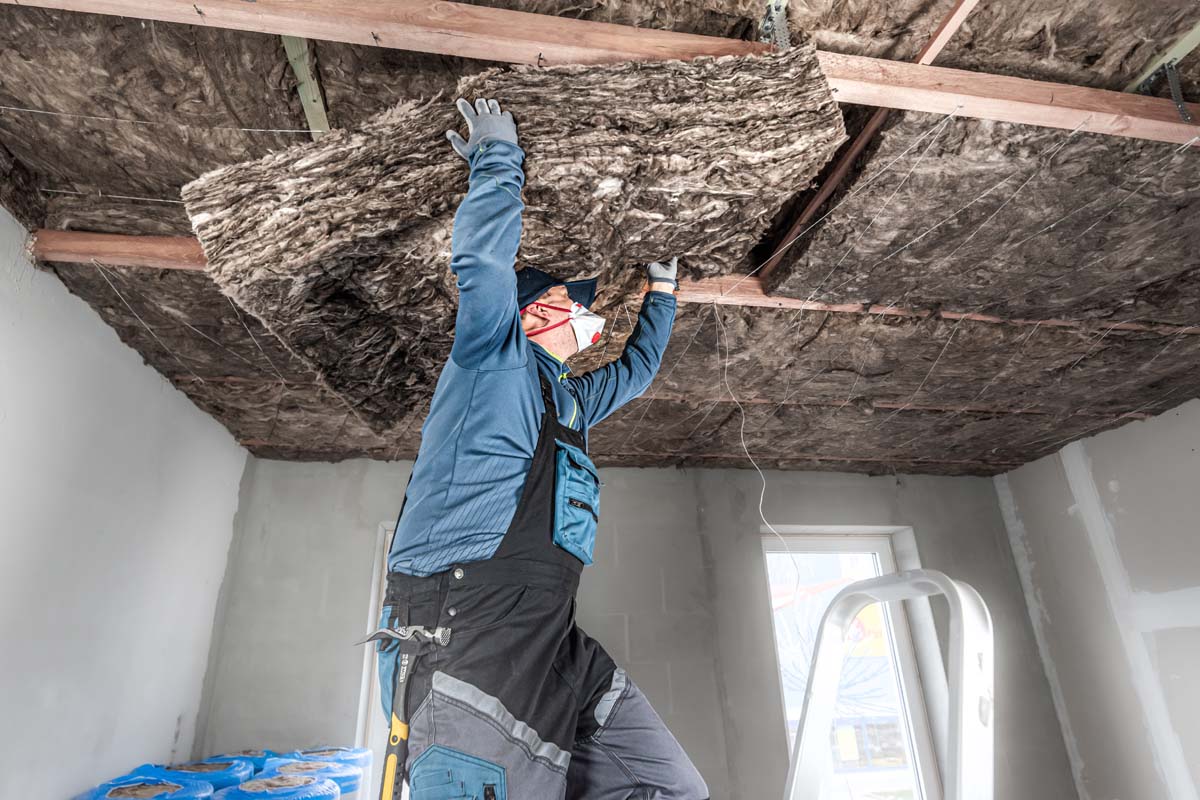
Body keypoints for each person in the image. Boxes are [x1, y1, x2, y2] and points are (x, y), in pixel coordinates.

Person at [368, 98, 708, 800]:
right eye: (569, 307)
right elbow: (482, 262)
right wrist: (499, 158)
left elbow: (637, 372)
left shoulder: (572, 402)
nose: (583, 321)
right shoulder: (493, 358)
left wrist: (663, 289)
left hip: (549, 633)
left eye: (582, 313)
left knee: (676, 789)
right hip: (465, 624)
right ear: (532, 314)